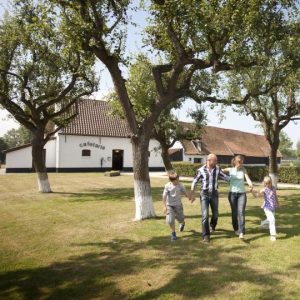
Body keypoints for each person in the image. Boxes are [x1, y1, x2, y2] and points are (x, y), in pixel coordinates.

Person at [190, 153, 229, 243]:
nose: (216, 162)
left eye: (216, 160)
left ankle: (212, 226)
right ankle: (206, 236)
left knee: (215, 213)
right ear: (209, 160)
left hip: (214, 194)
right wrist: (192, 193)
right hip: (204, 194)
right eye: (214, 160)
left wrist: (235, 179)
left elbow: (225, 177)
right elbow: (194, 181)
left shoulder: (218, 169)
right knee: (205, 215)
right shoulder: (200, 170)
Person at [222, 155, 253, 239]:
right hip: (232, 194)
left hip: (242, 194)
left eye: (242, 162)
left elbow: (247, 178)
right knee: (234, 213)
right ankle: (236, 229)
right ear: (235, 162)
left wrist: (250, 184)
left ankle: (241, 231)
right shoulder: (230, 170)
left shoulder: (243, 170)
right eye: (239, 161)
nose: (240, 163)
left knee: (241, 212)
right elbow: (219, 171)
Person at [163, 171, 190, 241]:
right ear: (172, 180)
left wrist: (189, 197)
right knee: (170, 220)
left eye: (178, 179)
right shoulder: (167, 186)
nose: (178, 181)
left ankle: (182, 223)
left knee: (180, 218)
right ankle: (173, 233)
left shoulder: (180, 185)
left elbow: (185, 193)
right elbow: (164, 196)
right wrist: (164, 206)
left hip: (178, 205)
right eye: (176, 180)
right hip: (170, 206)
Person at [252, 176, 279, 241]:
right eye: (266, 183)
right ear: (264, 183)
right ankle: (273, 235)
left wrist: (278, 203)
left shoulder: (273, 188)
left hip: (273, 207)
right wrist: (252, 191)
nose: (268, 184)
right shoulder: (264, 189)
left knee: (269, 219)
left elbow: (275, 196)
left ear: (271, 182)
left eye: (269, 183)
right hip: (267, 208)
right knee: (272, 220)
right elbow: (257, 195)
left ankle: (262, 223)